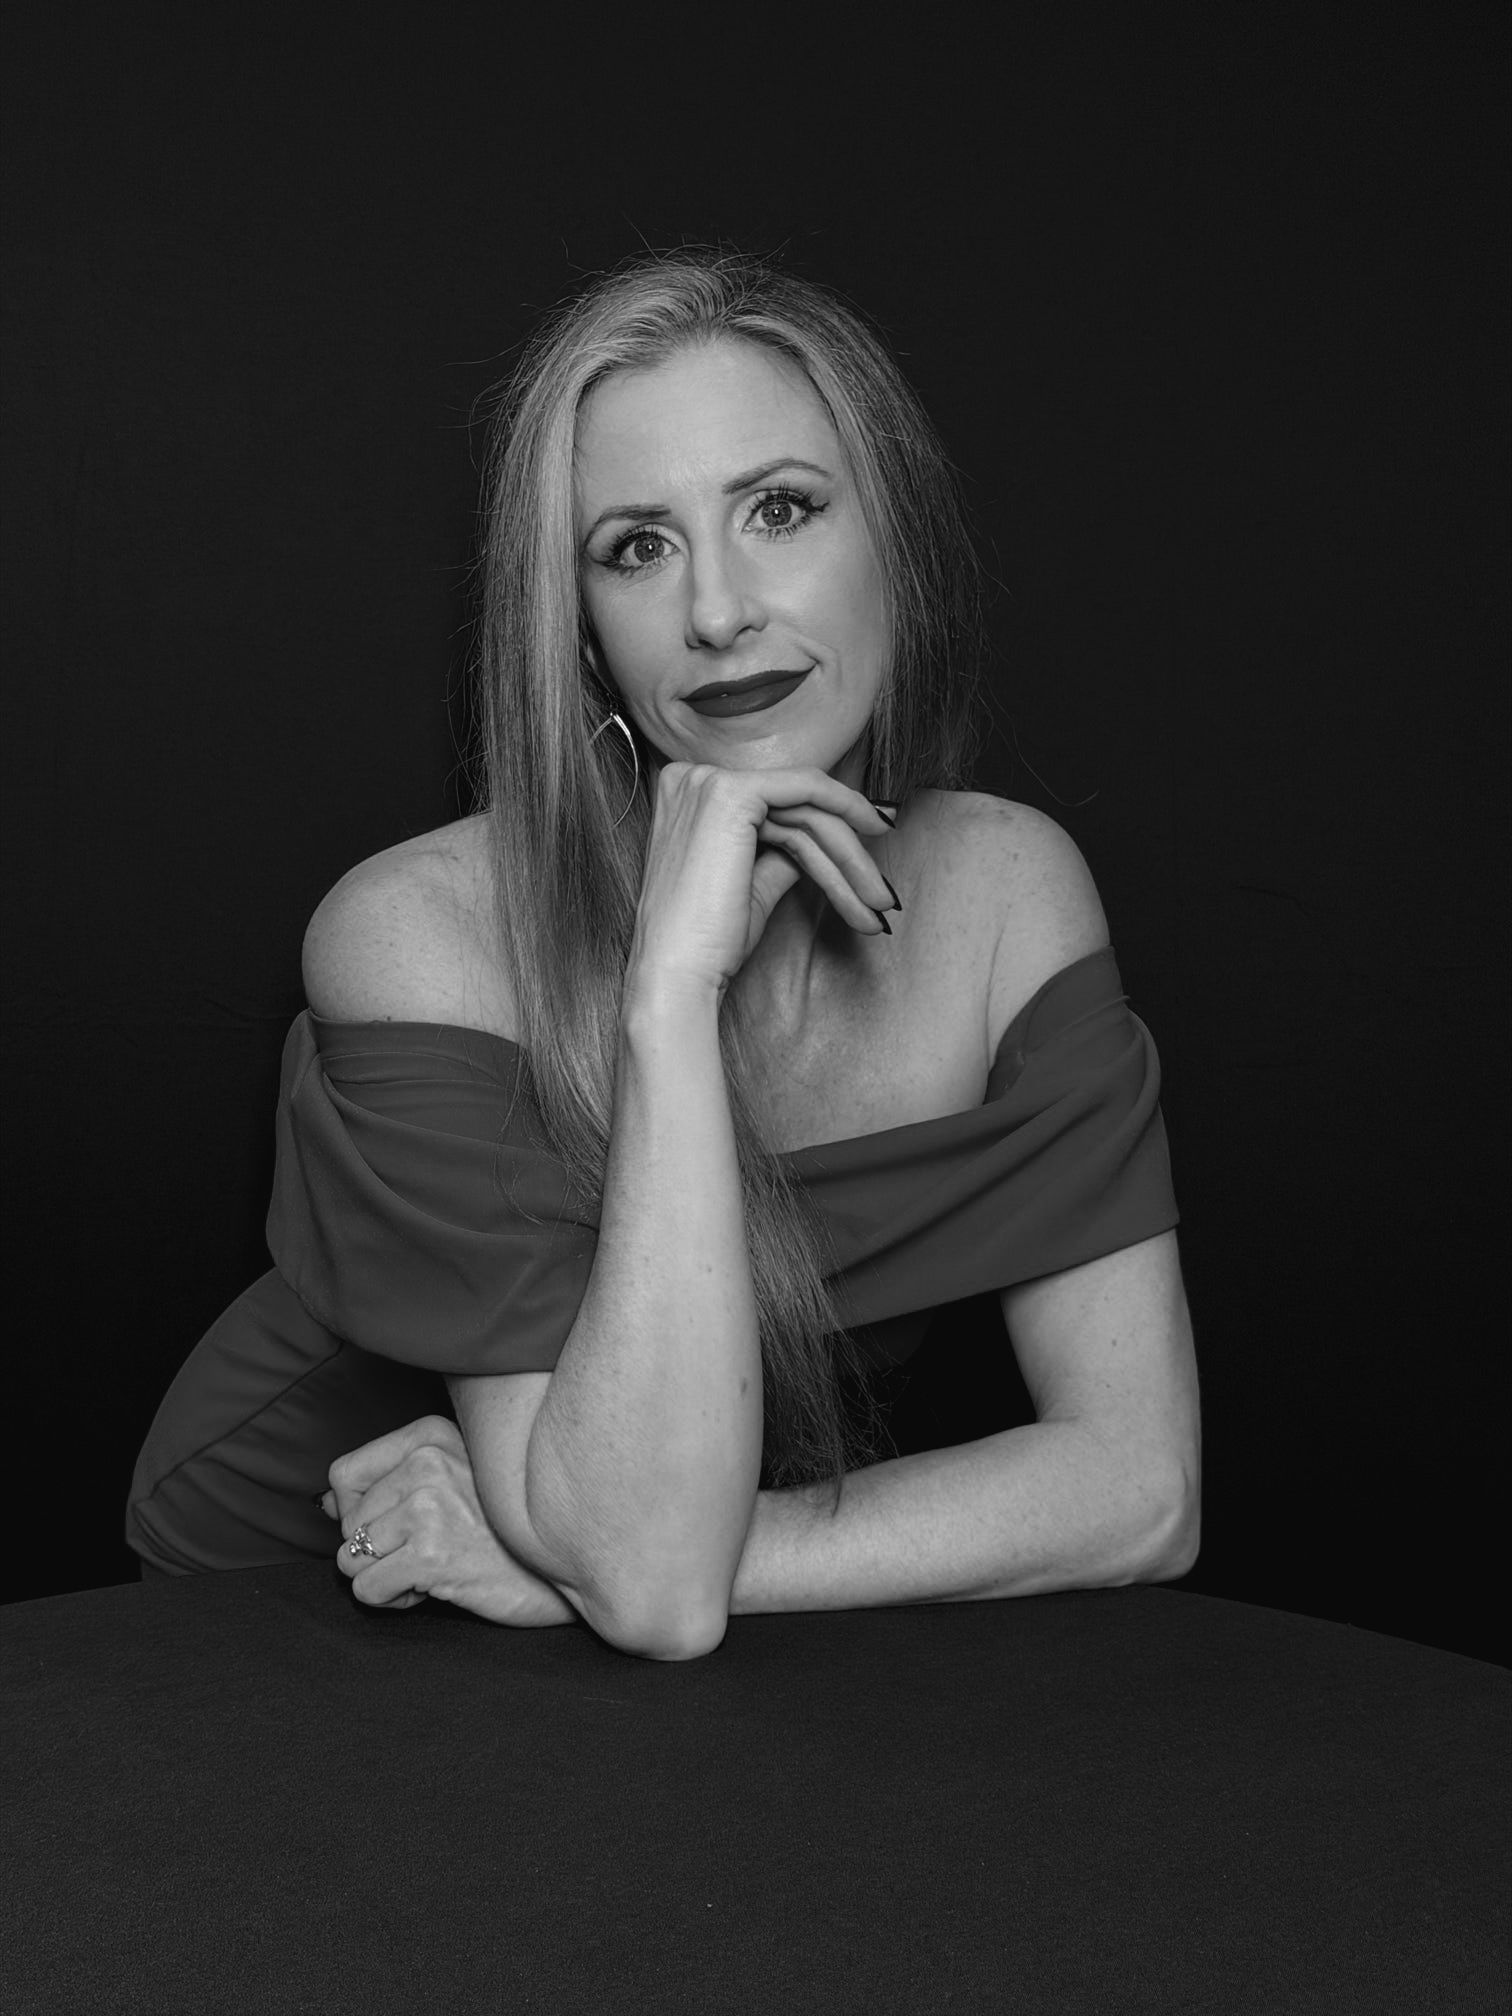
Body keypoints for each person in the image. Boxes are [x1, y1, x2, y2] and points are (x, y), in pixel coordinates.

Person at [127, 247, 1200, 1660]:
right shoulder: (416, 932)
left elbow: (1140, 1495)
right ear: (580, 639)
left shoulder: (1006, 890)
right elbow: (648, 1590)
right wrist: (669, 993)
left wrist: (560, 1560)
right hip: (310, 1593)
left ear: (902, 544)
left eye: (781, 510)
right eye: (636, 546)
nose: (715, 612)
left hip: (561, 1559)